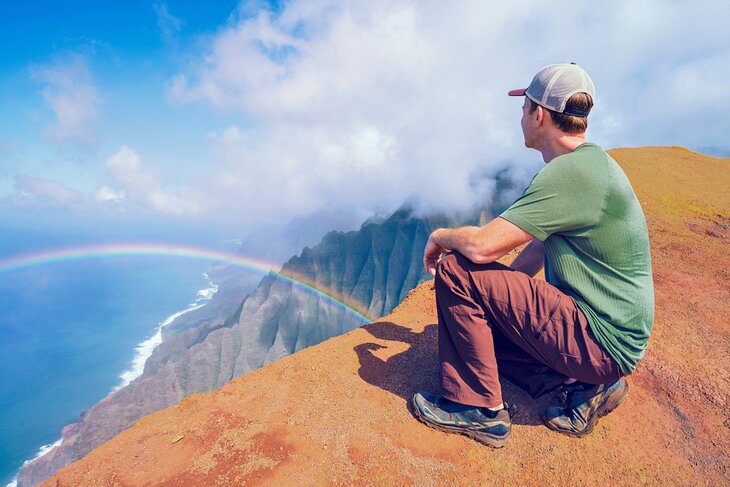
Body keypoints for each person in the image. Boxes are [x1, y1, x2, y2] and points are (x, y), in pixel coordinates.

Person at [411, 63, 654, 448]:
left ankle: (478, 409)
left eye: (524, 108)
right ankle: (590, 384)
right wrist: (496, 299)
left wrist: (441, 236)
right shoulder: (590, 166)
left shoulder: (571, 174)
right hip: (610, 339)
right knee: (489, 326)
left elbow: (481, 245)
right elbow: (538, 249)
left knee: (457, 269)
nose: (521, 117)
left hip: (601, 340)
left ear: (539, 115)